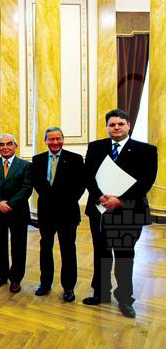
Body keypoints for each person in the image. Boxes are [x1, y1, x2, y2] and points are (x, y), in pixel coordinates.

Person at [82, 109, 157, 318]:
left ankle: (124, 298)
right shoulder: (96, 147)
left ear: (129, 125)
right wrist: (99, 196)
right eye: (112, 124)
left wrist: (120, 200)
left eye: (120, 124)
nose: (116, 127)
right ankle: (100, 293)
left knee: (124, 256)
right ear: (107, 127)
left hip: (129, 211)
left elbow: (146, 181)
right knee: (101, 253)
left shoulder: (146, 150)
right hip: (100, 209)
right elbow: (87, 176)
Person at [31, 127, 85, 303]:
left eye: (58, 139)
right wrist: (51, 199)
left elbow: (80, 185)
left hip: (67, 212)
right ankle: (45, 283)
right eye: (51, 139)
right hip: (46, 212)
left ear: (63, 139)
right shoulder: (37, 160)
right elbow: (38, 184)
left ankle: (68, 287)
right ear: (45, 141)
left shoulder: (75, 159)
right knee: (45, 249)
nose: (55, 142)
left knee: (68, 250)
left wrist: (63, 201)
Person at [0, 134, 32, 293]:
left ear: (15, 146)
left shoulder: (25, 165)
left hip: (18, 212)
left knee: (18, 246)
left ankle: (16, 278)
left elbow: (26, 188)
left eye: (9, 144)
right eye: (1, 144)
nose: (5, 147)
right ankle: (1, 275)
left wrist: (9, 204)